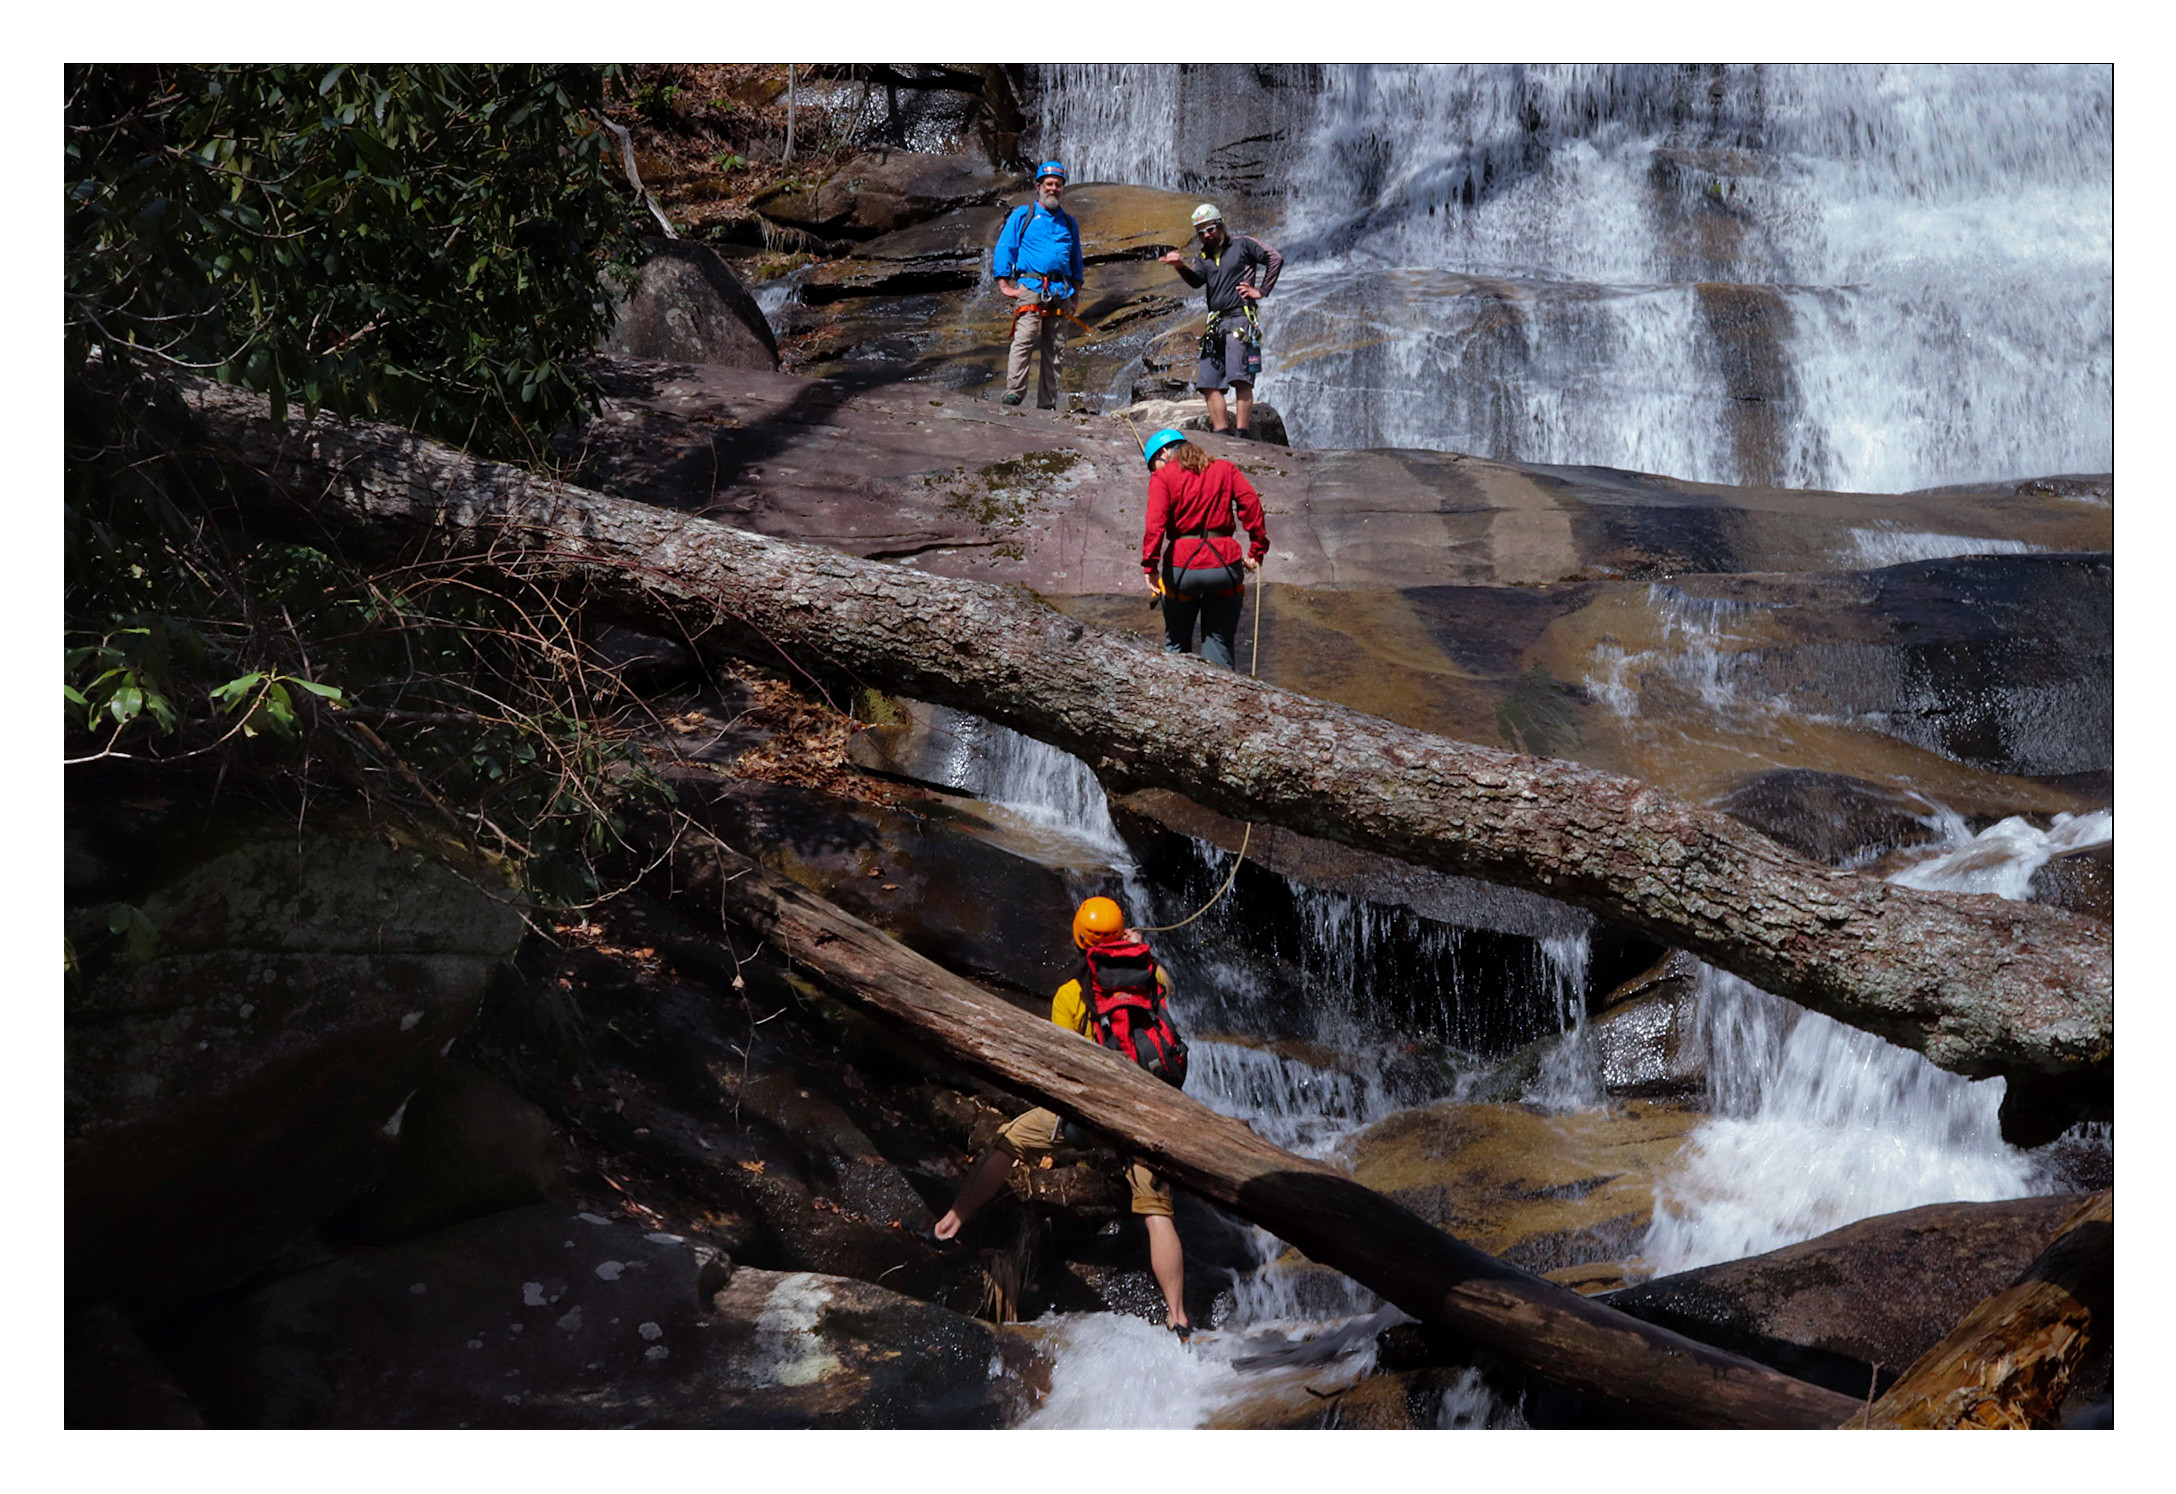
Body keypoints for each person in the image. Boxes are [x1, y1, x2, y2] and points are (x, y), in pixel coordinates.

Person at [932, 896, 1194, 1337]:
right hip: (1150, 1112)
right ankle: (1178, 1316)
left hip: (1091, 1112)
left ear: (1080, 939)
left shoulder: (1071, 994)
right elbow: (1161, 1003)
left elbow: (1059, 1062)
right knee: (1156, 1212)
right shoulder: (1154, 974)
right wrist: (1136, 949)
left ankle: (954, 1218)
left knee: (1008, 1140)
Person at [1139, 427, 1269, 670]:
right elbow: (1251, 504)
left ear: (1165, 453)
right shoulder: (1224, 469)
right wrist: (1256, 551)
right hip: (1224, 568)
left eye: (1153, 464)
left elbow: (1154, 524)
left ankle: (1175, 698)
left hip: (1182, 570)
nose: (1153, 471)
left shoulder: (1162, 478)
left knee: (1177, 643)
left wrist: (1150, 566)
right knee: (1218, 642)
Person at [1158, 203, 1283, 438]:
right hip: (1215, 323)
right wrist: (1179, 267)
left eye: (1210, 229)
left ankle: (1242, 435)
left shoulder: (1243, 245)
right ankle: (1221, 434)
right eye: (1201, 232)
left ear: (1221, 225)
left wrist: (1262, 291)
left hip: (1240, 319)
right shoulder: (1203, 256)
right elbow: (1197, 282)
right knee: (1208, 382)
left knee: (1240, 378)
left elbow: (1275, 258)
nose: (1206, 235)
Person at [989, 160, 1084, 410]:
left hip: (1061, 290)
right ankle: (1014, 393)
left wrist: (1076, 293)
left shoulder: (1069, 223)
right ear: (1038, 186)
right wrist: (1004, 284)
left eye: (1058, 185)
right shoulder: (1024, 214)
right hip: (1031, 286)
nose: (1053, 188)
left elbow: (1076, 259)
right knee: (1025, 338)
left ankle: (1047, 403)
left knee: (1056, 348)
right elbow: (1005, 247)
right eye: (1049, 184)